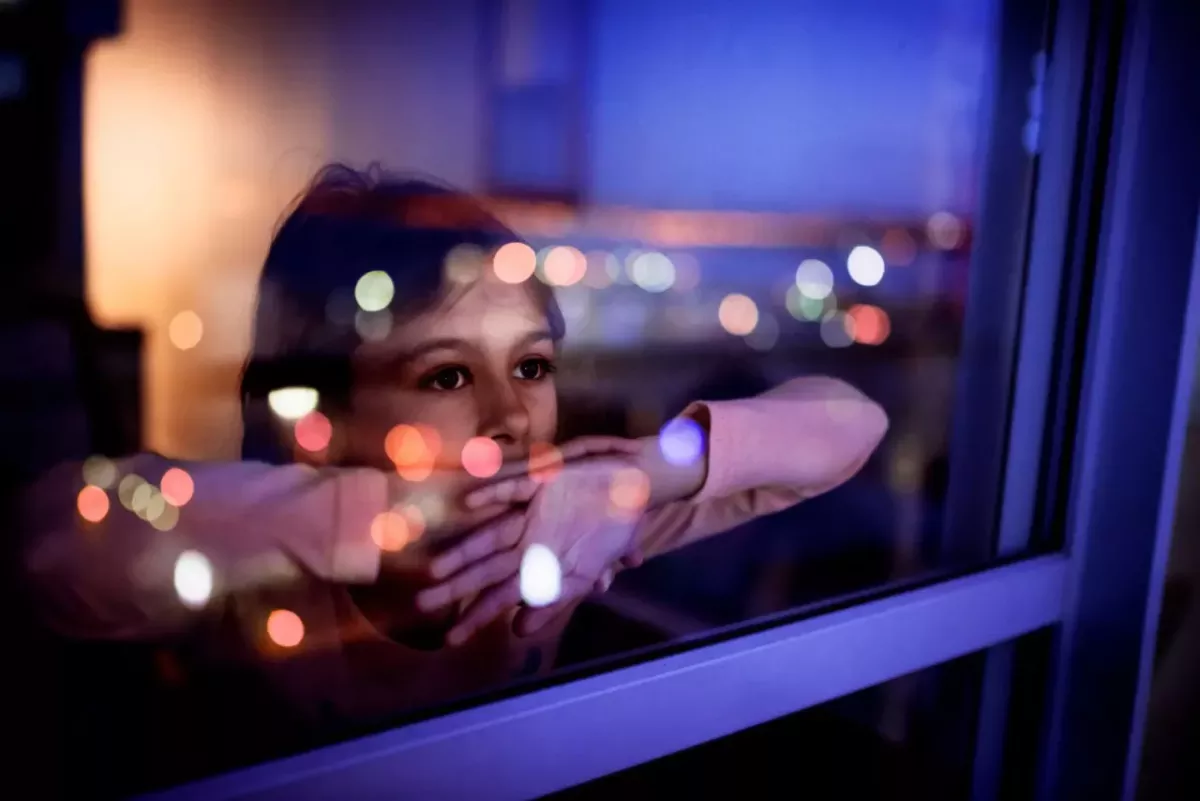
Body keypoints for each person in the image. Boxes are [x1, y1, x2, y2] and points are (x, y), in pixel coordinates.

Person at [19, 164, 888, 777]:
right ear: (324, 419)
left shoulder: (571, 520)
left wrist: (653, 470)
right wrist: (371, 517)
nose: (512, 418)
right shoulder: (252, 562)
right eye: (446, 375)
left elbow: (851, 425)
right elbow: (46, 545)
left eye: (533, 366)